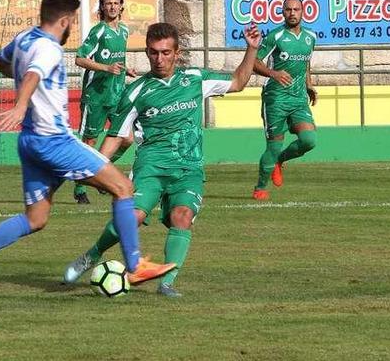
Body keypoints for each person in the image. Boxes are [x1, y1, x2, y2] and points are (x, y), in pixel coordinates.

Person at [0, 0, 175, 297]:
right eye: (71, 23)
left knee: (35, 218)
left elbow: (3, 63)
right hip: (54, 140)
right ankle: (135, 266)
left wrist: (24, 99)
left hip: (29, 141)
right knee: (123, 189)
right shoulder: (50, 48)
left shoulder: (24, 38)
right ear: (65, 20)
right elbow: (32, 75)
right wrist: (21, 102)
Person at [63, 22, 262, 297]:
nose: (160, 59)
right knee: (132, 217)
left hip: (188, 169)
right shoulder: (136, 93)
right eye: (154, 53)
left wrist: (251, 49)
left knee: (183, 217)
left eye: (166, 52)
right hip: (151, 168)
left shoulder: (195, 79)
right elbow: (116, 136)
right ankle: (92, 254)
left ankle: (167, 283)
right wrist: (92, 167)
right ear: (147, 52)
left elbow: (238, 82)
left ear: (176, 52)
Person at [72, 0, 136, 205]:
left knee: (127, 138)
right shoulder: (98, 31)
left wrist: (125, 70)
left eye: (116, 3)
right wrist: (106, 68)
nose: (112, 7)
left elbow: (118, 59)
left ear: (121, 7)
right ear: (102, 8)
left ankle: (100, 174)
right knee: (89, 142)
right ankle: (81, 187)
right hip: (96, 96)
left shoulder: (124, 31)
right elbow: (80, 59)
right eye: (108, 3)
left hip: (117, 95)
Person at [251, 0, 318, 201]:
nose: (292, 13)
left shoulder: (310, 37)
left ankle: (279, 161)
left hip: (298, 99)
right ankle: (260, 187)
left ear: (303, 11)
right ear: (282, 12)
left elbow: (306, 62)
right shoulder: (275, 36)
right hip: (276, 98)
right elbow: (254, 61)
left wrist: (309, 85)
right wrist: (273, 73)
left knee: (309, 140)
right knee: (273, 145)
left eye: (296, 9)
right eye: (288, 9)